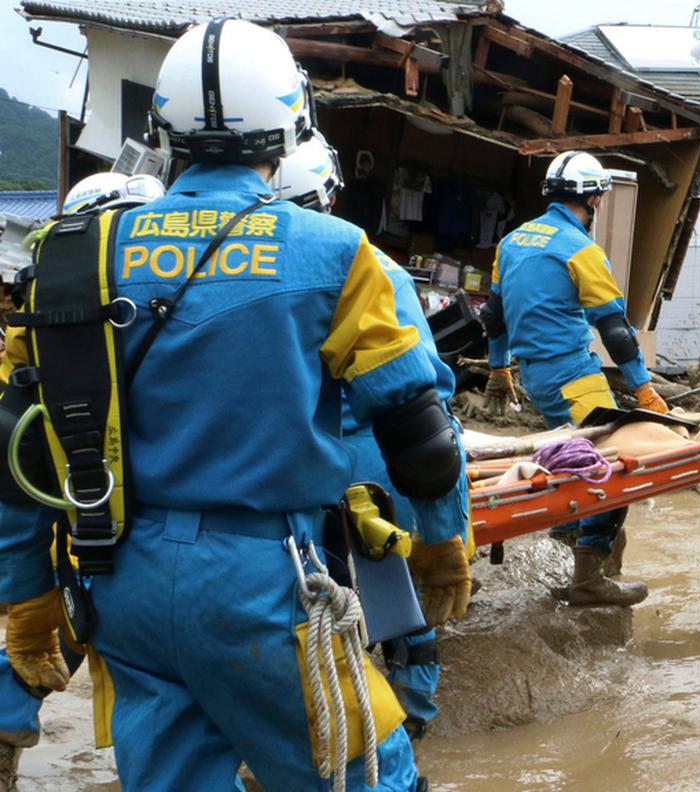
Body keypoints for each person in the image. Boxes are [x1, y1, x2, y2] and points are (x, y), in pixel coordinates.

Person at [0, 20, 470, 790]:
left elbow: (17, 449)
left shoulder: (68, 254)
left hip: (120, 581)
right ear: (292, 128)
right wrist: (445, 541)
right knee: (369, 774)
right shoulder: (335, 253)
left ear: (159, 128)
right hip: (264, 579)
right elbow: (418, 432)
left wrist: (24, 593)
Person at [276, 131, 455, 741]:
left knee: (311, 610)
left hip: (291, 468)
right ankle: (409, 728)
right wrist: (444, 533)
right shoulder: (368, 264)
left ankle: (330, 726)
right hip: (379, 460)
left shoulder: (240, 272)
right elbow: (419, 396)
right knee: (399, 603)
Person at [0, 169, 166, 789]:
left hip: (87, 541)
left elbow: (17, 481)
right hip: (194, 553)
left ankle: (7, 731)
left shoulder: (40, 326)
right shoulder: (190, 307)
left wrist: (25, 597)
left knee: (54, 638)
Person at [481, 150, 668, 608]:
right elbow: (616, 329)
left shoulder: (513, 242)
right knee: (616, 466)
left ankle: (566, 542)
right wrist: (643, 387)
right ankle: (587, 577)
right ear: (594, 200)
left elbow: (494, 314)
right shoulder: (581, 249)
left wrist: (498, 368)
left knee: (570, 454)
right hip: (572, 375)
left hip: (536, 378)